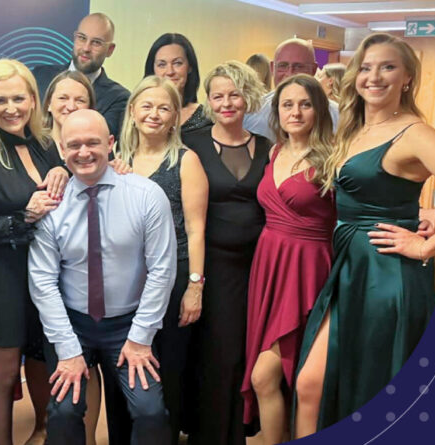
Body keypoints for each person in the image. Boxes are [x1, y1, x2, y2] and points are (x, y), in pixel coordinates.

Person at [293, 33, 435, 437]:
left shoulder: (414, 132)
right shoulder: (354, 128)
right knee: (311, 385)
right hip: (349, 267)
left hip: (387, 276)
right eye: (365, 67)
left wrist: (427, 245)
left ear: (408, 78)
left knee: (371, 390)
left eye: (387, 67)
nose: (374, 77)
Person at [29, 109, 176, 445]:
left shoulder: (146, 195)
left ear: (110, 144)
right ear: (62, 150)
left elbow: (162, 270)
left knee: (150, 412)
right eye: (74, 145)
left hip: (129, 324)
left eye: (93, 143)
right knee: (63, 412)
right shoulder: (50, 205)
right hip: (73, 322)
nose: (84, 152)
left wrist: (140, 338)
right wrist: (67, 349)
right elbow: (43, 282)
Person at [0, 58, 70, 445]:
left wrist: (64, 171)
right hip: (0, 278)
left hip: (43, 275)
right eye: (0, 100)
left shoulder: (45, 145)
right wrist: (22, 217)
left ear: (34, 100)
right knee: (5, 373)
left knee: (3, 371)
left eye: (19, 98)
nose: (11, 108)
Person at [240, 74, 336, 444]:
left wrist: (417, 222)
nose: (295, 112)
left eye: (305, 104)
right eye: (287, 105)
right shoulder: (274, 152)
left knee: (267, 375)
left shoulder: (333, 157)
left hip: (308, 270)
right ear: (277, 111)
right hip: (269, 267)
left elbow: (358, 211)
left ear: (319, 110)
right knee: (269, 378)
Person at [116, 75, 209, 445]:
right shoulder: (117, 162)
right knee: (126, 367)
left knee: (166, 370)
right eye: (147, 106)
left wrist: (195, 288)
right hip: (126, 281)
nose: (154, 114)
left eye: (164, 108)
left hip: (173, 277)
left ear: (175, 117)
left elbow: (196, 229)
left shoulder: (186, 162)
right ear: (132, 110)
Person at [180, 61, 269, 445]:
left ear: (248, 98)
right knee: (216, 353)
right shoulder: (191, 143)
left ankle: (234, 429)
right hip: (210, 265)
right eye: (218, 96)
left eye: (234, 95)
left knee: (243, 352)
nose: (227, 103)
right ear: (208, 101)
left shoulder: (267, 148)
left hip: (257, 268)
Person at [39, 69, 107, 445]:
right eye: (63, 97)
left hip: (80, 273)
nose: (70, 105)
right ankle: (44, 427)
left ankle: (89, 437)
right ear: (48, 103)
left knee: (86, 362)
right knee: (43, 358)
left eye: (80, 99)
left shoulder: (91, 145)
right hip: (34, 264)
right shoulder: (32, 143)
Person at [32, 13, 130, 139]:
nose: (86, 48)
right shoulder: (40, 76)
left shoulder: (119, 98)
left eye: (96, 42)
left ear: (110, 50)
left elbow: (98, 140)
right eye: (82, 38)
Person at [242, 38, 339, 144]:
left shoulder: (337, 116)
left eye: (298, 67)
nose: (290, 73)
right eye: (283, 66)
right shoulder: (253, 113)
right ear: (272, 68)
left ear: (313, 69)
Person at [145, 33, 212, 134]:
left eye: (177, 63)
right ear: (152, 69)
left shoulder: (206, 118)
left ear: (190, 67)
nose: (170, 71)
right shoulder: (140, 116)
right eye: (162, 64)